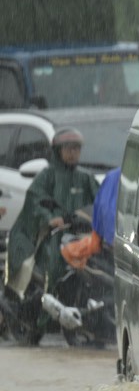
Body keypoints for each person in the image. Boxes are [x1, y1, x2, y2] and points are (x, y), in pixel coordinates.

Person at [4, 128, 99, 343]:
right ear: (58, 150)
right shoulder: (46, 176)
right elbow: (34, 202)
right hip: (49, 236)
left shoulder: (85, 178)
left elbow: (100, 202)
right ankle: (44, 317)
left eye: (77, 148)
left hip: (79, 235)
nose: (73, 153)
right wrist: (50, 218)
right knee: (55, 267)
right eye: (69, 148)